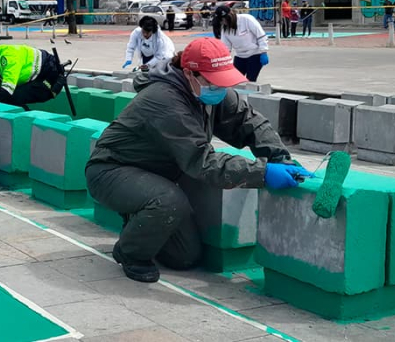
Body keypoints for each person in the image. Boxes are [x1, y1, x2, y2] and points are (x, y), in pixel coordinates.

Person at [86, 38, 309, 283]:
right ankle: (129, 252)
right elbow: (202, 161)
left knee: (184, 257)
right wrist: (262, 173)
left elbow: (248, 121)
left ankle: (141, 216)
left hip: (159, 172)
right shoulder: (164, 100)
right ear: (190, 73)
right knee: (168, 201)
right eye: (214, 83)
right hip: (113, 170)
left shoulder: (207, 90)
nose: (220, 89)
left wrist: (280, 157)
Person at [0, 41, 65, 108]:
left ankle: (24, 125)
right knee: (2, 99)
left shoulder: (8, 58)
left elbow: (6, 92)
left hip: (49, 78)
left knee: (12, 97)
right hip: (36, 78)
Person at [212, 4, 269, 82]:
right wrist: (223, 61)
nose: (223, 23)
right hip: (240, 56)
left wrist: (264, 51)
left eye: (223, 20)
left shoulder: (247, 19)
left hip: (255, 54)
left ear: (229, 16)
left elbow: (261, 35)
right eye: (221, 21)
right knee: (235, 80)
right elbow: (225, 47)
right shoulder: (225, 30)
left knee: (250, 80)